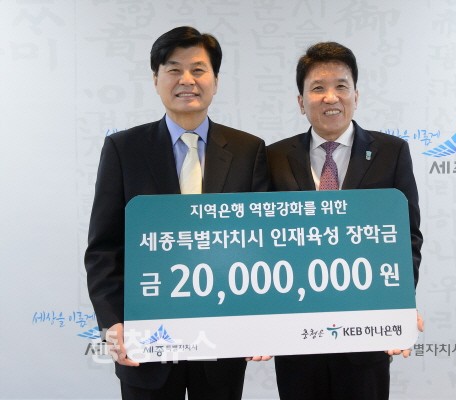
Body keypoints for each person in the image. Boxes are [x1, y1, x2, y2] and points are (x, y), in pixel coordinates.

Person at [84, 26, 269, 400]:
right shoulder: (123, 149)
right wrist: (113, 322)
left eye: (198, 70)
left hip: (223, 340)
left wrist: (261, 322)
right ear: (156, 80)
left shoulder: (249, 150)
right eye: (173, 69)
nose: (187, 80)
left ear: (215, 80)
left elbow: (261, 244)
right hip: (144, 340)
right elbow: (104, 248)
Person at [266, 41, 424, 400]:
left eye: (341, 86)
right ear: (301, 101)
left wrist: (399, 301)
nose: (330, 97)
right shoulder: (274, 157)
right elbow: (263, 242)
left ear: (356, 95)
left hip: (366, 330)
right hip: (296, 331)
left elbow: (407, 237)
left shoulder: (391, 152)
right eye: (317, 88)